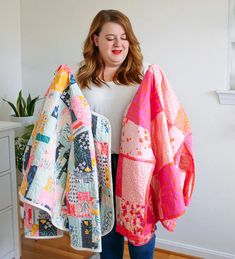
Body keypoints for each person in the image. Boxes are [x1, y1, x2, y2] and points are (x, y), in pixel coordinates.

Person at [76, 9, 156, 259]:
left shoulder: (140, 82)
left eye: (124, 37)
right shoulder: (81, 82)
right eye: (110, 38)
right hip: (97, 166)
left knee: (140, 236)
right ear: (96, 40)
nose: (118, 44)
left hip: (135, 167)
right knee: (108, 235)